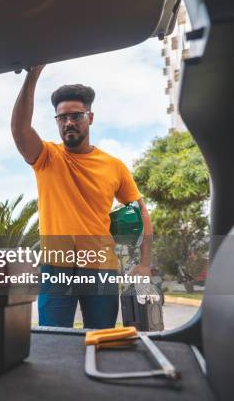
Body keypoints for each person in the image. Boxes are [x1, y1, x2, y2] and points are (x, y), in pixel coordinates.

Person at [10, 64, 153, 328]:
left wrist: (145, 264)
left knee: (102, 340)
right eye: (62, 118)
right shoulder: (46, 157)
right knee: (53, 340)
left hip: (101, 266)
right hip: (56, 267)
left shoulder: (114, 165)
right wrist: (34, 72)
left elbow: (141, 211)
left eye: (76, 115)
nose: (69, 122)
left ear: (91, 117)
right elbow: (20, 130)